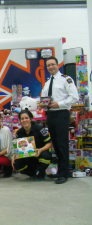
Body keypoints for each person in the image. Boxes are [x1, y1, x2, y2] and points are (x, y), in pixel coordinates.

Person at [40, 56, 79, 184]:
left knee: (62, 144)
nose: (50, 67)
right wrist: (42, 104)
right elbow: (44, 98)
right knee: (55, 144)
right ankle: (61, 171)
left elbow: (74, 97)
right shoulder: (47, 82)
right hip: (50, 115)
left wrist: (60, 104)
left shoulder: (65, 79)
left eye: (52, 64)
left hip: (61, 113)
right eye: (48, 65)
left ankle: (64, 173)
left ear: (58, 65)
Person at [12, 110, 52, 180]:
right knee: (16, 162)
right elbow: (18, 149)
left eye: (26, 118)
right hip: (28, 155)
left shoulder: (40, 128)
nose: (24, 120)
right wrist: (14, 156)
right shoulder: (19, 132)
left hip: (40, 153)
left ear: (30, 119)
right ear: (20, 121)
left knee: (45, 156)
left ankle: (41, 172)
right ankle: (32, 173)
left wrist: (40, 150)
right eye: (22, 118)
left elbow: (49, 143)